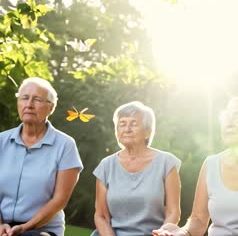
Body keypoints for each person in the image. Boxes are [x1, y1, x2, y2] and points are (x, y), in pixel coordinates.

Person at [153, 97, 238, 236]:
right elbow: (198, 220)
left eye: (236, 116)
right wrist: (183, 232)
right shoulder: (210, 164)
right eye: (226, 117)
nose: (228, 123)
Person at [0, 77, 83, 236]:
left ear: (50, 108)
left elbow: (59, 200)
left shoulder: (65, 145)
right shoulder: (1, 141)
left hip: (41, 230)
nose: (29, 104)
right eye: (24, 98)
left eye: (37, 99)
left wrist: (25, 227)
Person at [92, 101, 181, 236]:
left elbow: (173, 212)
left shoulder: (166, 162)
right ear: (117, 132)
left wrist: (162, 233)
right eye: (122, 124)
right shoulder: (106, 165)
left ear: (147, 132)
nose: (127, 129)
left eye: (133, 124)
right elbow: (101, 216)